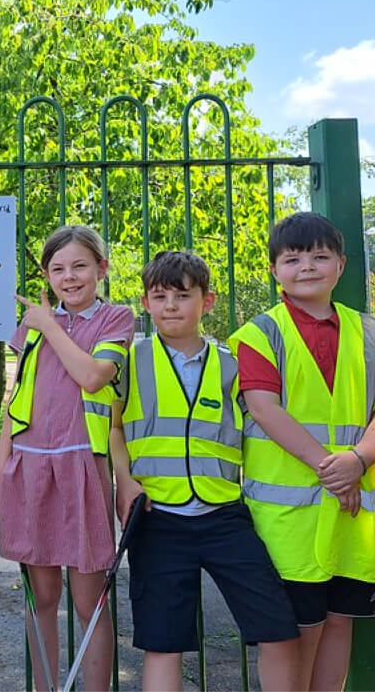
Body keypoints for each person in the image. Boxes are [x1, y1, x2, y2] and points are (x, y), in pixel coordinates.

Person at [110, 250, 300, 692]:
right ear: (145, 302)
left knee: (277, 625)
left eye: (182, 295)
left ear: (207, 301)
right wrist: (124, 482)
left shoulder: (232, 361)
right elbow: (112, 428)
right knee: (163, 643)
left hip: (224, 515)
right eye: (160, 296)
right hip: (157, 517)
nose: (171, 305)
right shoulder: (129, 362)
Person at [228, 213, 375, 691]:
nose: (307, 267)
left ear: (341, 265)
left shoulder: (369, 332)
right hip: (288, 521)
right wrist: (336, 470)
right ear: (274, 270)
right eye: (293, 259)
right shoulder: (259, 334)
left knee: (340, 622)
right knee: (295, 633)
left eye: (319, 256)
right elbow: (264, 409)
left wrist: (359, 461)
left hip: (353, 516)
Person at [0, 224, 134, 692]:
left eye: (79, 266)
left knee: (89, 600)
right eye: (58, 269)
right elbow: (16, 398)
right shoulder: (29, 327)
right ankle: (46, 686)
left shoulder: (116, 319)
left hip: (82, 468)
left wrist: (49, 323)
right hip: (29, 468)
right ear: (47, 274)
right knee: (42, 595)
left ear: (101, 268)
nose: (69, 277)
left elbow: (93, 376)